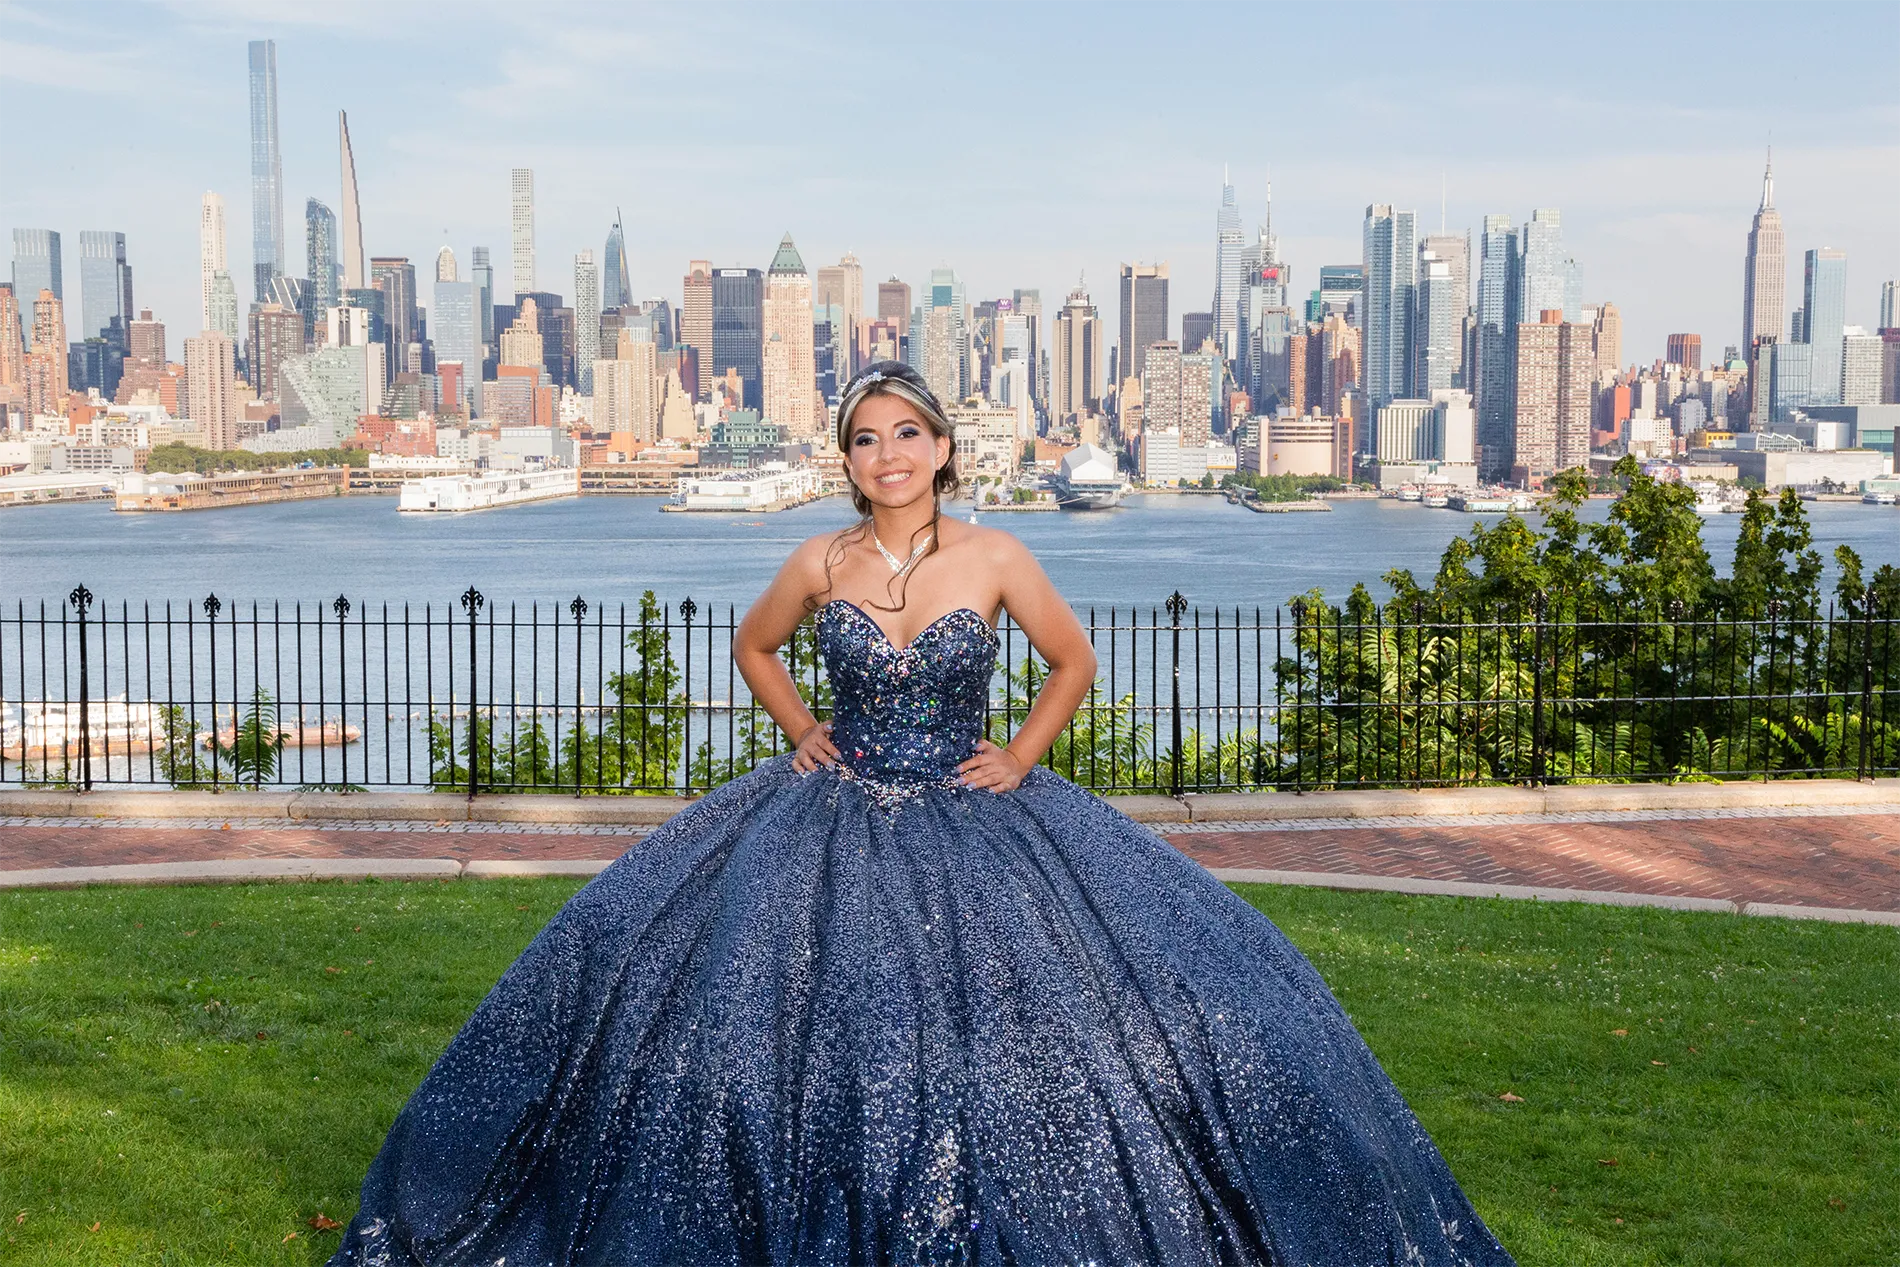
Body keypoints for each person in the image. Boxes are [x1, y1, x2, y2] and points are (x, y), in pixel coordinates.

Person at [329, 361, 1515, 1266]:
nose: (887, 453)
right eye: (865, 438)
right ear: (846, 459)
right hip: (830, 808)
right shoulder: (820, 560)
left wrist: (1021, 755)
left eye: (906, 434)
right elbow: (753, 645)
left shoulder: (994, 555)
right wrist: (802, 730)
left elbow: (1072, 660)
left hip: (972, 801)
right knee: (727, 998)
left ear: (943, 448)